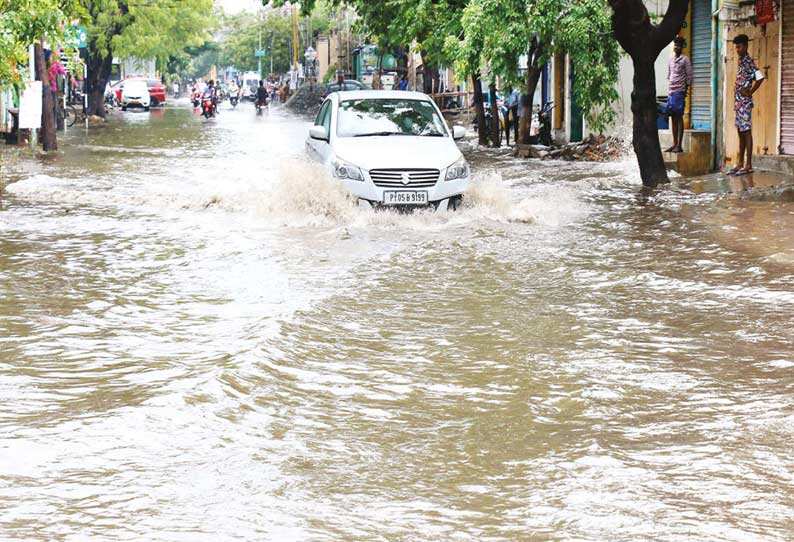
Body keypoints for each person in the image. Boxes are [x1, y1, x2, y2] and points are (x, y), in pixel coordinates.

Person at [729, 34, 764, 176]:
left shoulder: (749, 61)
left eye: (739, 46)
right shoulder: (741, 61)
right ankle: (739, 163)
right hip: (738, 103)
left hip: (744, 103)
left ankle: (748, 164)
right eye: (736, 47)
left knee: (746, 132)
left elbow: (760, 77)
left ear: (745, 46)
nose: (737, 49)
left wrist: (750, 91)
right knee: (740, 132)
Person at [665, 36, 693, 153]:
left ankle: (679, 145)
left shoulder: (685, 59)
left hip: (679, 92)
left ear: (682, 47)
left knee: (679, 117)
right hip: (671, 93)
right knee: (672, 117)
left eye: (679, 45)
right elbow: (669, 76)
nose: (677, 47)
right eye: (675, 45)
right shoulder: (670, 60)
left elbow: (689, 77)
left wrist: (685, 90)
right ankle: (674, 143)